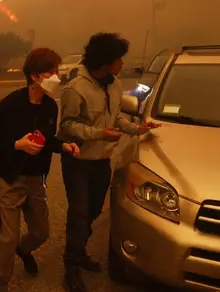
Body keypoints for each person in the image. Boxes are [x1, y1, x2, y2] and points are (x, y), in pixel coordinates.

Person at [57, 33, 161, 292]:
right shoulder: (75, 88)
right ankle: (71, 267)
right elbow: (67, 127)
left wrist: (138, 128)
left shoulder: (114, 84)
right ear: (105, 61)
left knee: (92, 211)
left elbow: (116, 118)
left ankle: (78, 252)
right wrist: (98, 134)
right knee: (79, 214)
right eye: (119, 59)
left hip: (102, 161)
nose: (122, 64)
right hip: (78, 161)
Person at [0, 48, 80, 292]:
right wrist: (16, 144)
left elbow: (48, 139)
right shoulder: (10, 104)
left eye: (57, 71)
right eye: (52, 72)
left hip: (36, 178)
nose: (57, 77)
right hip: (10, 178)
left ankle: (25, 248)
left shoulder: (50, 106)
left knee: (41, 232)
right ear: (36, 76)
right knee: (8, 237)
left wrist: (65, 146)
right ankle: (0, 285)